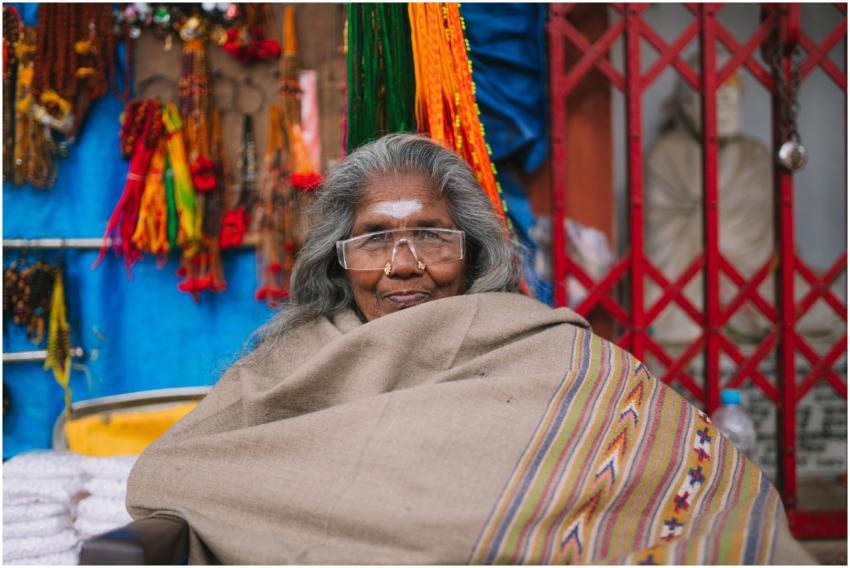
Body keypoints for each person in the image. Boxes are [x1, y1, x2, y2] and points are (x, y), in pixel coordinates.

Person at [126, 133, 811, 564]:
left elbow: (687, 482)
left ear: (471, 251)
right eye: (373, 239)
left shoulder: (543, 349)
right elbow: (177, 472)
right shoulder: (283, 369)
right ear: (338, 261)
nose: (403, 265)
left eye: (431, 235)